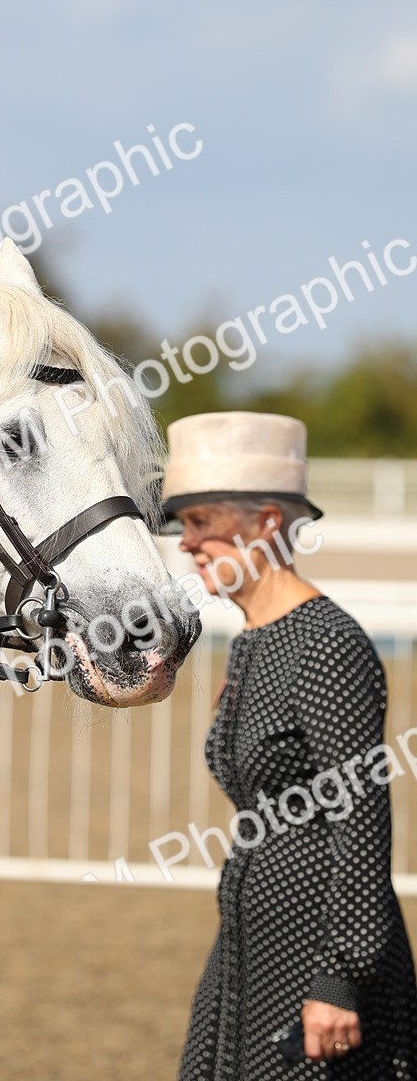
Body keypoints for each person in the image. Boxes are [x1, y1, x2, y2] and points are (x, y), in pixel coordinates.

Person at [162, 411, 417, 1080]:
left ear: (268, 523)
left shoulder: (325, 644)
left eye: (200, 523)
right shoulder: (254, 641)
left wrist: (340, 979)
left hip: (319, 953)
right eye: (182, 526)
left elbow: (360, 819)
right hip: (251, 941)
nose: (186, 545)